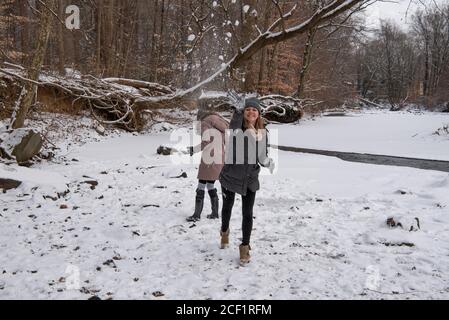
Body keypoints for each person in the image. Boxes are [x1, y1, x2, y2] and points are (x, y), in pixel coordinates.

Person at [218, 97, 275, 265]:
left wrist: (268, 162)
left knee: (247, 213)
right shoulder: (237, 128)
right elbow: (234, 124)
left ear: (259, 114)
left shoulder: (262, 134)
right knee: (227, 208)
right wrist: (237, 111)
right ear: (244, 112)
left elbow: (261, 156)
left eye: (254, 110)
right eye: (248, 109)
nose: (251, 112)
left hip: (250, 178)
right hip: (231, 175)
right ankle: (224, 231)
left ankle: (245, 247)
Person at [186, 102, 229, 222]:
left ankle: (196, 214)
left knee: (201, 185)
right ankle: (215, 213)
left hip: (209, 158)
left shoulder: (205, 123)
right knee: (210, 184)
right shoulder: (220, 122)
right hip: (220, 157)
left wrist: (193, 149)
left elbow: (205, 142)